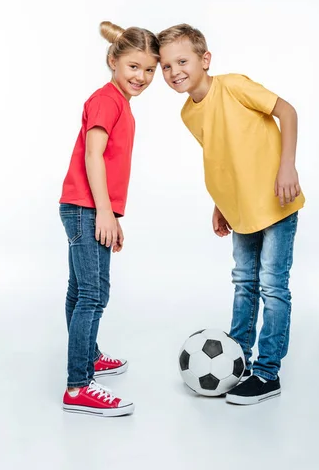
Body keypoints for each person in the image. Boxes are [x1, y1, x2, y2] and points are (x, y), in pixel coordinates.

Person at [158, 23, 305, 405]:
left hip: (276, 200)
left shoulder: (234, 86)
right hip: (239, 210)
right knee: (244, 283)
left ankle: (267, 373)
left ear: (205, 59)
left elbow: (286, 112)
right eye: (166, 66)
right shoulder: (187, 114)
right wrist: (220, 203)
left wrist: (287, 165)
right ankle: (236, 362)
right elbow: (222, 156)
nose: (174, 72)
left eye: (182, 61)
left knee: (273, 286)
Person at [59, 21, 159, 416]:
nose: (142, 76)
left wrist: (111, 214)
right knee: (93, 295)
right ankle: (78, 385)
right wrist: (104, 212)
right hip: (86, 207)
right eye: (134, 66)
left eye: (149, 69)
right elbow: (92, 155)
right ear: (113, 61)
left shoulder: (120, 102)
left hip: (90, 207)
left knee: (79, 291)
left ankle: (89, 354)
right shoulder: (106, 100)